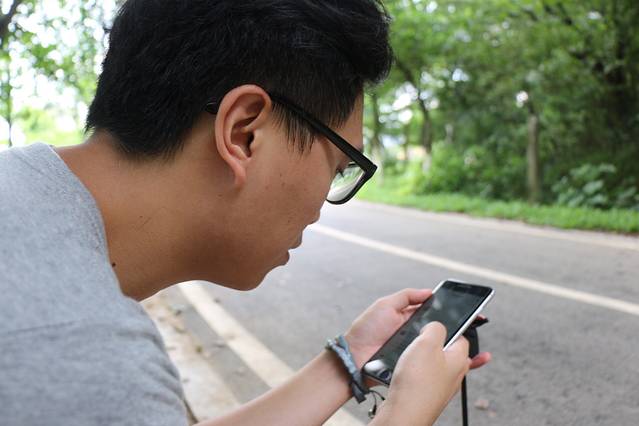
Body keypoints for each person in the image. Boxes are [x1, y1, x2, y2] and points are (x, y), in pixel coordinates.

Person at [0, 1, 490, 425]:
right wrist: (403, 416)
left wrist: (348, 361)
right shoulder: (85, 354)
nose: (321, 207)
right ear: (244, 133)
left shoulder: (18, 187)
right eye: (339, 167)